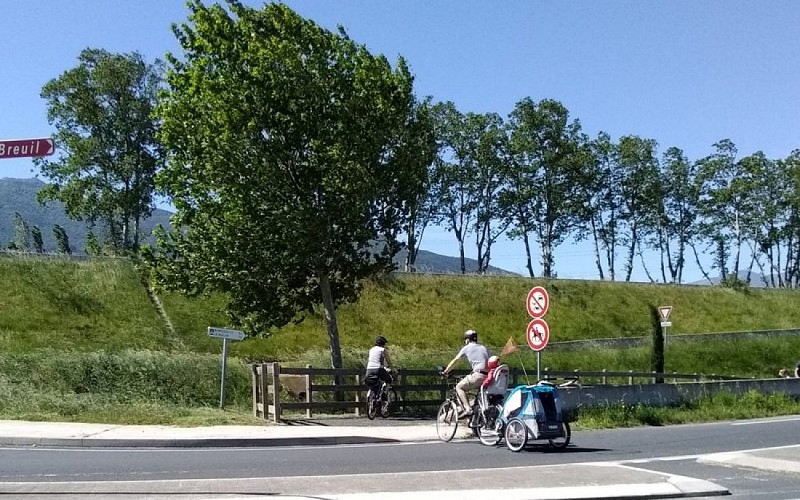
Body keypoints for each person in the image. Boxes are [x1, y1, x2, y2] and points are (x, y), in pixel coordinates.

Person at [442, 329, 489, 418]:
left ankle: (468, 409)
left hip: (478, 375)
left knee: (459, 387)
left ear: (467, 339)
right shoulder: (483, 347)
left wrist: (446, 371)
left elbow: (455, 360)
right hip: (489, 376)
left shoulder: (466, 348)